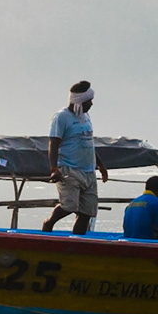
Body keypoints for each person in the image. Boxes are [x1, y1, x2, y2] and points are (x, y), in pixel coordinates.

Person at [43, 81, 108, 235]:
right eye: (89, 101)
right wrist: (54, 168)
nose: (91, 104)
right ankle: (48, 223)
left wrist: (101, 165)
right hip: (69, 169)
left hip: (88, 171)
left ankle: (78, 240)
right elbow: (53, 144)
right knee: (69, 206)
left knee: (87, 212)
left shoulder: (86, 117)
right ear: (80, 101)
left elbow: (89, 142)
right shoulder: (62, 117)